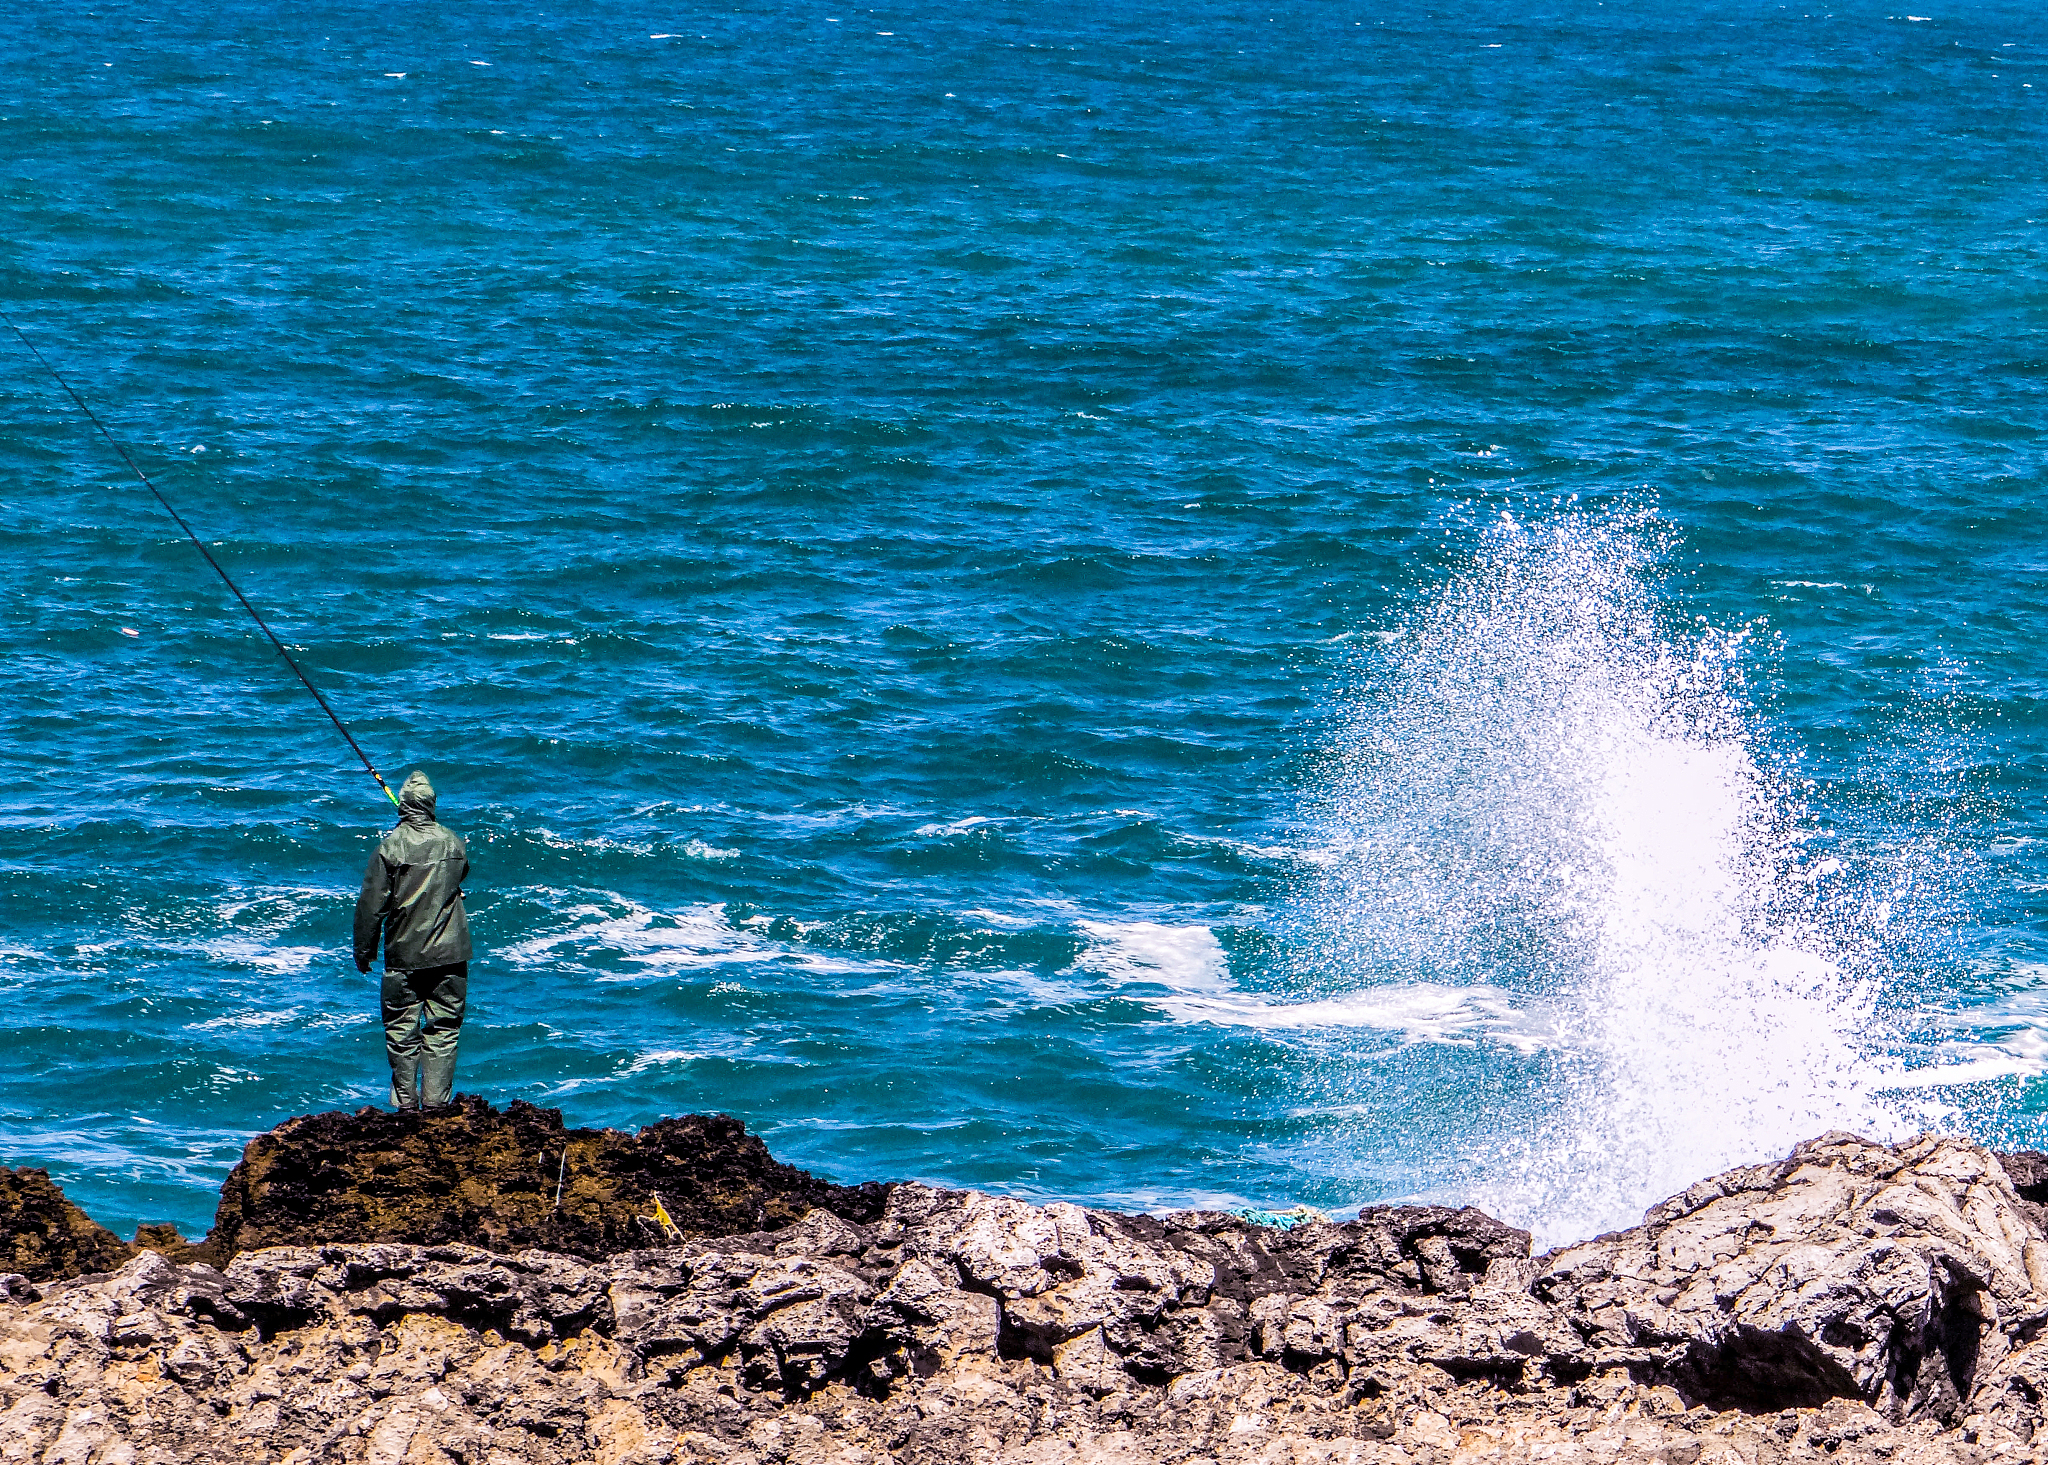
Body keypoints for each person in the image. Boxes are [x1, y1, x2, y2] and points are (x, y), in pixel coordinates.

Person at [353, 770, 472, 1110]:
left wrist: (364, 951)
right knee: (444, 1030)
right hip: (451, 954)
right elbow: (461, 872)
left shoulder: (390, 847)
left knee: (402, 1034)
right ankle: (435, 1106)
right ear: (431, 805)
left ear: (404, 806)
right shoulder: (453, 842)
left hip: (404, 957)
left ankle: (407, 1108)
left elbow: (370, 907)